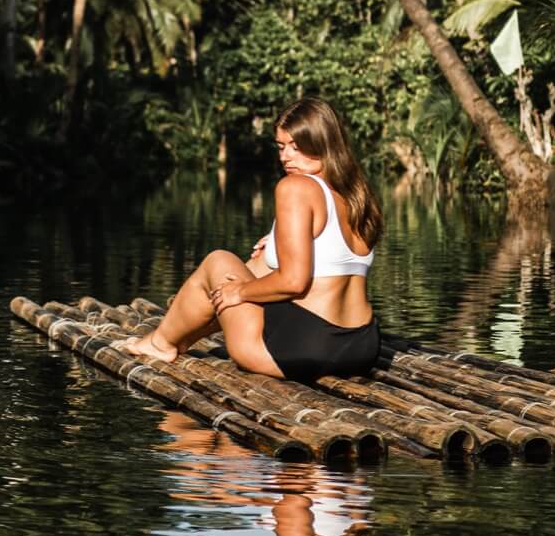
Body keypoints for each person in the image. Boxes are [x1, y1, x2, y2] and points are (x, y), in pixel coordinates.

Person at [126, 97, 382, 382]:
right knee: (259, 262)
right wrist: (274, 246)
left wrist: (239, 292)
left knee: (218, 261)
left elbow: (293, 282)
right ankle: (181, 336)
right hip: (361, 346)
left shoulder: (296, 187)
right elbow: (330, 260)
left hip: (307, 349)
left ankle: (161, 343)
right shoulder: (359, 195)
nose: (285, 157)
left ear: (322, 144)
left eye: (297, 147)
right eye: (281, 146)